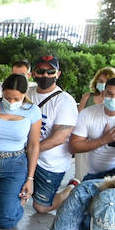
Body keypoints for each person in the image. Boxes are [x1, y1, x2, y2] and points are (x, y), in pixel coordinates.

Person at [0, 74, 41, 228]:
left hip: (15, 164)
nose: (11, 102)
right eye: (7, 98)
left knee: (5, 222)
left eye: (16, 99)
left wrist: (30, 179)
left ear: (25, 94)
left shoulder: (32, 111)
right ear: (2, 92)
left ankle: (15, 204)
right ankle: (0, 202)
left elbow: (33, 145)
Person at [26, 54, 78, 214]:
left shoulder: (65, 101)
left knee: (41, 207)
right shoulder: (26, 93)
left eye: (50, 72)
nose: (45, 75)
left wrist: (31, 150)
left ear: (58, 74)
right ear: (33, 73)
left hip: (49, 163)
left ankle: (70, 188)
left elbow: (59, 138)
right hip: (24, 155)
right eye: (41, 71)